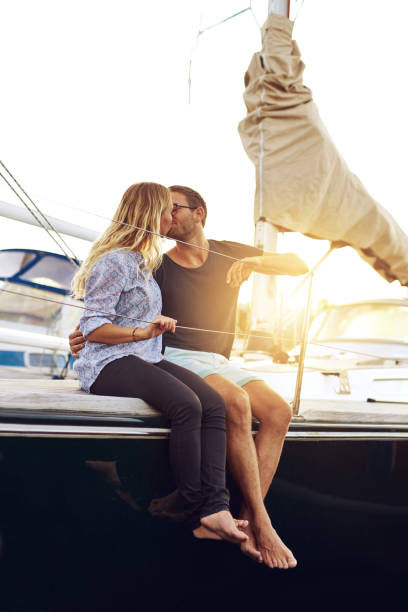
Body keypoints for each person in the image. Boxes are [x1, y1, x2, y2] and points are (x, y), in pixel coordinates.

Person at [70, 185, 307, 570]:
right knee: (233, 403)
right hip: (172, 353)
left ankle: (244, 514)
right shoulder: (154, 264)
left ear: (199, 214)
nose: (170, 216)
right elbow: (111, 312)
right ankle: (258, 526)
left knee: (279, 411)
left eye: (175, 208)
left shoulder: (228, 251)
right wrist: (84, 335)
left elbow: (298, 264)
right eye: (165, 210)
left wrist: (255, 265)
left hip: (216, 359)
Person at [71, 181, 248, 546]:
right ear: (153, 215)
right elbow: (94, 327)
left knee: (213, 404)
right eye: (168, 211)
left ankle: (218, 506)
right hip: (108, 364)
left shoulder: (143, 262)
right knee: (186, 405)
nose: (173, 217)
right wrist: (143, 331)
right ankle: (201, 507)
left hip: (144, 356)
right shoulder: (116, 261)